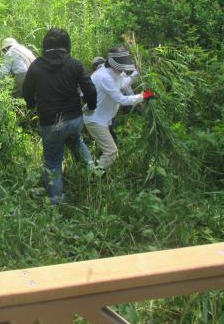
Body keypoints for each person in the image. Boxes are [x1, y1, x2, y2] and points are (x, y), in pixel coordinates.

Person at [22, 28, 97, 205]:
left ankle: (56, 199)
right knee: (77, 140)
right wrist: (91, 106)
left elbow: (26, 91)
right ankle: (93, 176)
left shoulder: (36, 66)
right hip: (75, 119)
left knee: (53, 162)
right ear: (67, 46)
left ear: (45, 46)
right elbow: (90, 89)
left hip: (51, 123)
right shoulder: (75, 64)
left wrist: (32, 106)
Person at [84, 47, 155, 174]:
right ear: (114, 64)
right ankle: (96, 176)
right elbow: (121, 99)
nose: (123, 69)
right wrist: (142, 96)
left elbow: (122, 85)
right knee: (111, 151)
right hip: (95, 120)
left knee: (109, 151)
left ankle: (98, 174)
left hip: (103, 119)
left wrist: (136, 74)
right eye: (122, 66)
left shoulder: (114, 72)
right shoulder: (104, 76)